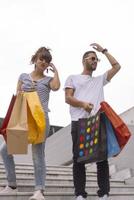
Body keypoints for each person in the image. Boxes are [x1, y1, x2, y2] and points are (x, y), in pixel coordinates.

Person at [0, 47, 60, 200]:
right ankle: (12, 185)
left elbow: (56, 87)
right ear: (35, 59)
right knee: (5, 149)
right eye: (41, 58)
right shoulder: (23, 76)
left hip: (41, 119)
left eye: (47, 60)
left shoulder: (48, 80)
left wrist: (56, 72)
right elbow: (18, 95)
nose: (44, 62)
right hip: (23, 118)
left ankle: (39, 191)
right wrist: (26, 91)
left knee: (37, 154)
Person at [64, 43, 121, 200]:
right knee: (78, 158)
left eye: (97, 59)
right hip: (79, 121)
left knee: (102, 158)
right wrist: (83, 104)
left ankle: (104, 193)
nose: (95, 61)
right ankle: (80, 194)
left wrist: (104, 51)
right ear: (84, 60)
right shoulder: (73, 78)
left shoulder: (99, 80)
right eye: (92, 58)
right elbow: (67, 98)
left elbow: (117, 66)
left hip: (97, 121)